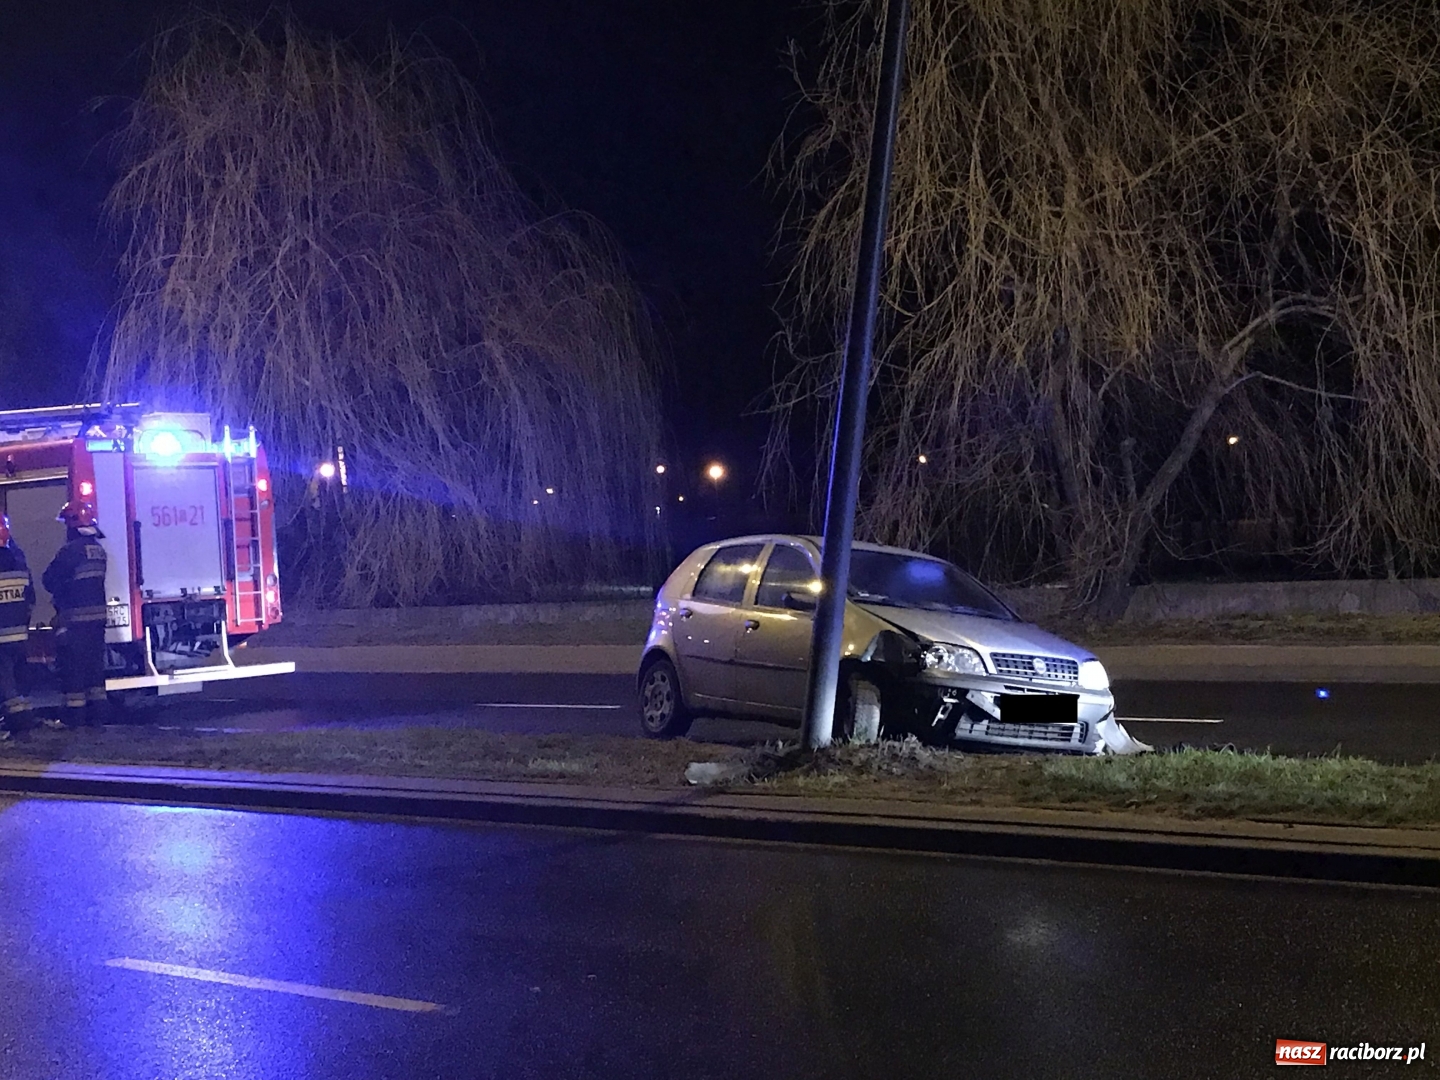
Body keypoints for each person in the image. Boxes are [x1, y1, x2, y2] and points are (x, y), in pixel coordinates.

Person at [43, 501, 108, 727]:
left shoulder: (71, 551)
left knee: (74, 671)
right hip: (97, 621)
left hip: (75, 622)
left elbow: (49, 580)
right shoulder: (99, 550)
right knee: (95, 671)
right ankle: (99, 716)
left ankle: (75, 718)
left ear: (73, 524)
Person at [0, 515, 35, 741]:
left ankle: (18, 727)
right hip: (19, 635)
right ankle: (21, 723)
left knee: (6, 682)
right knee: (16, 680)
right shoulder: (18, 561)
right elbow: (30, 598)